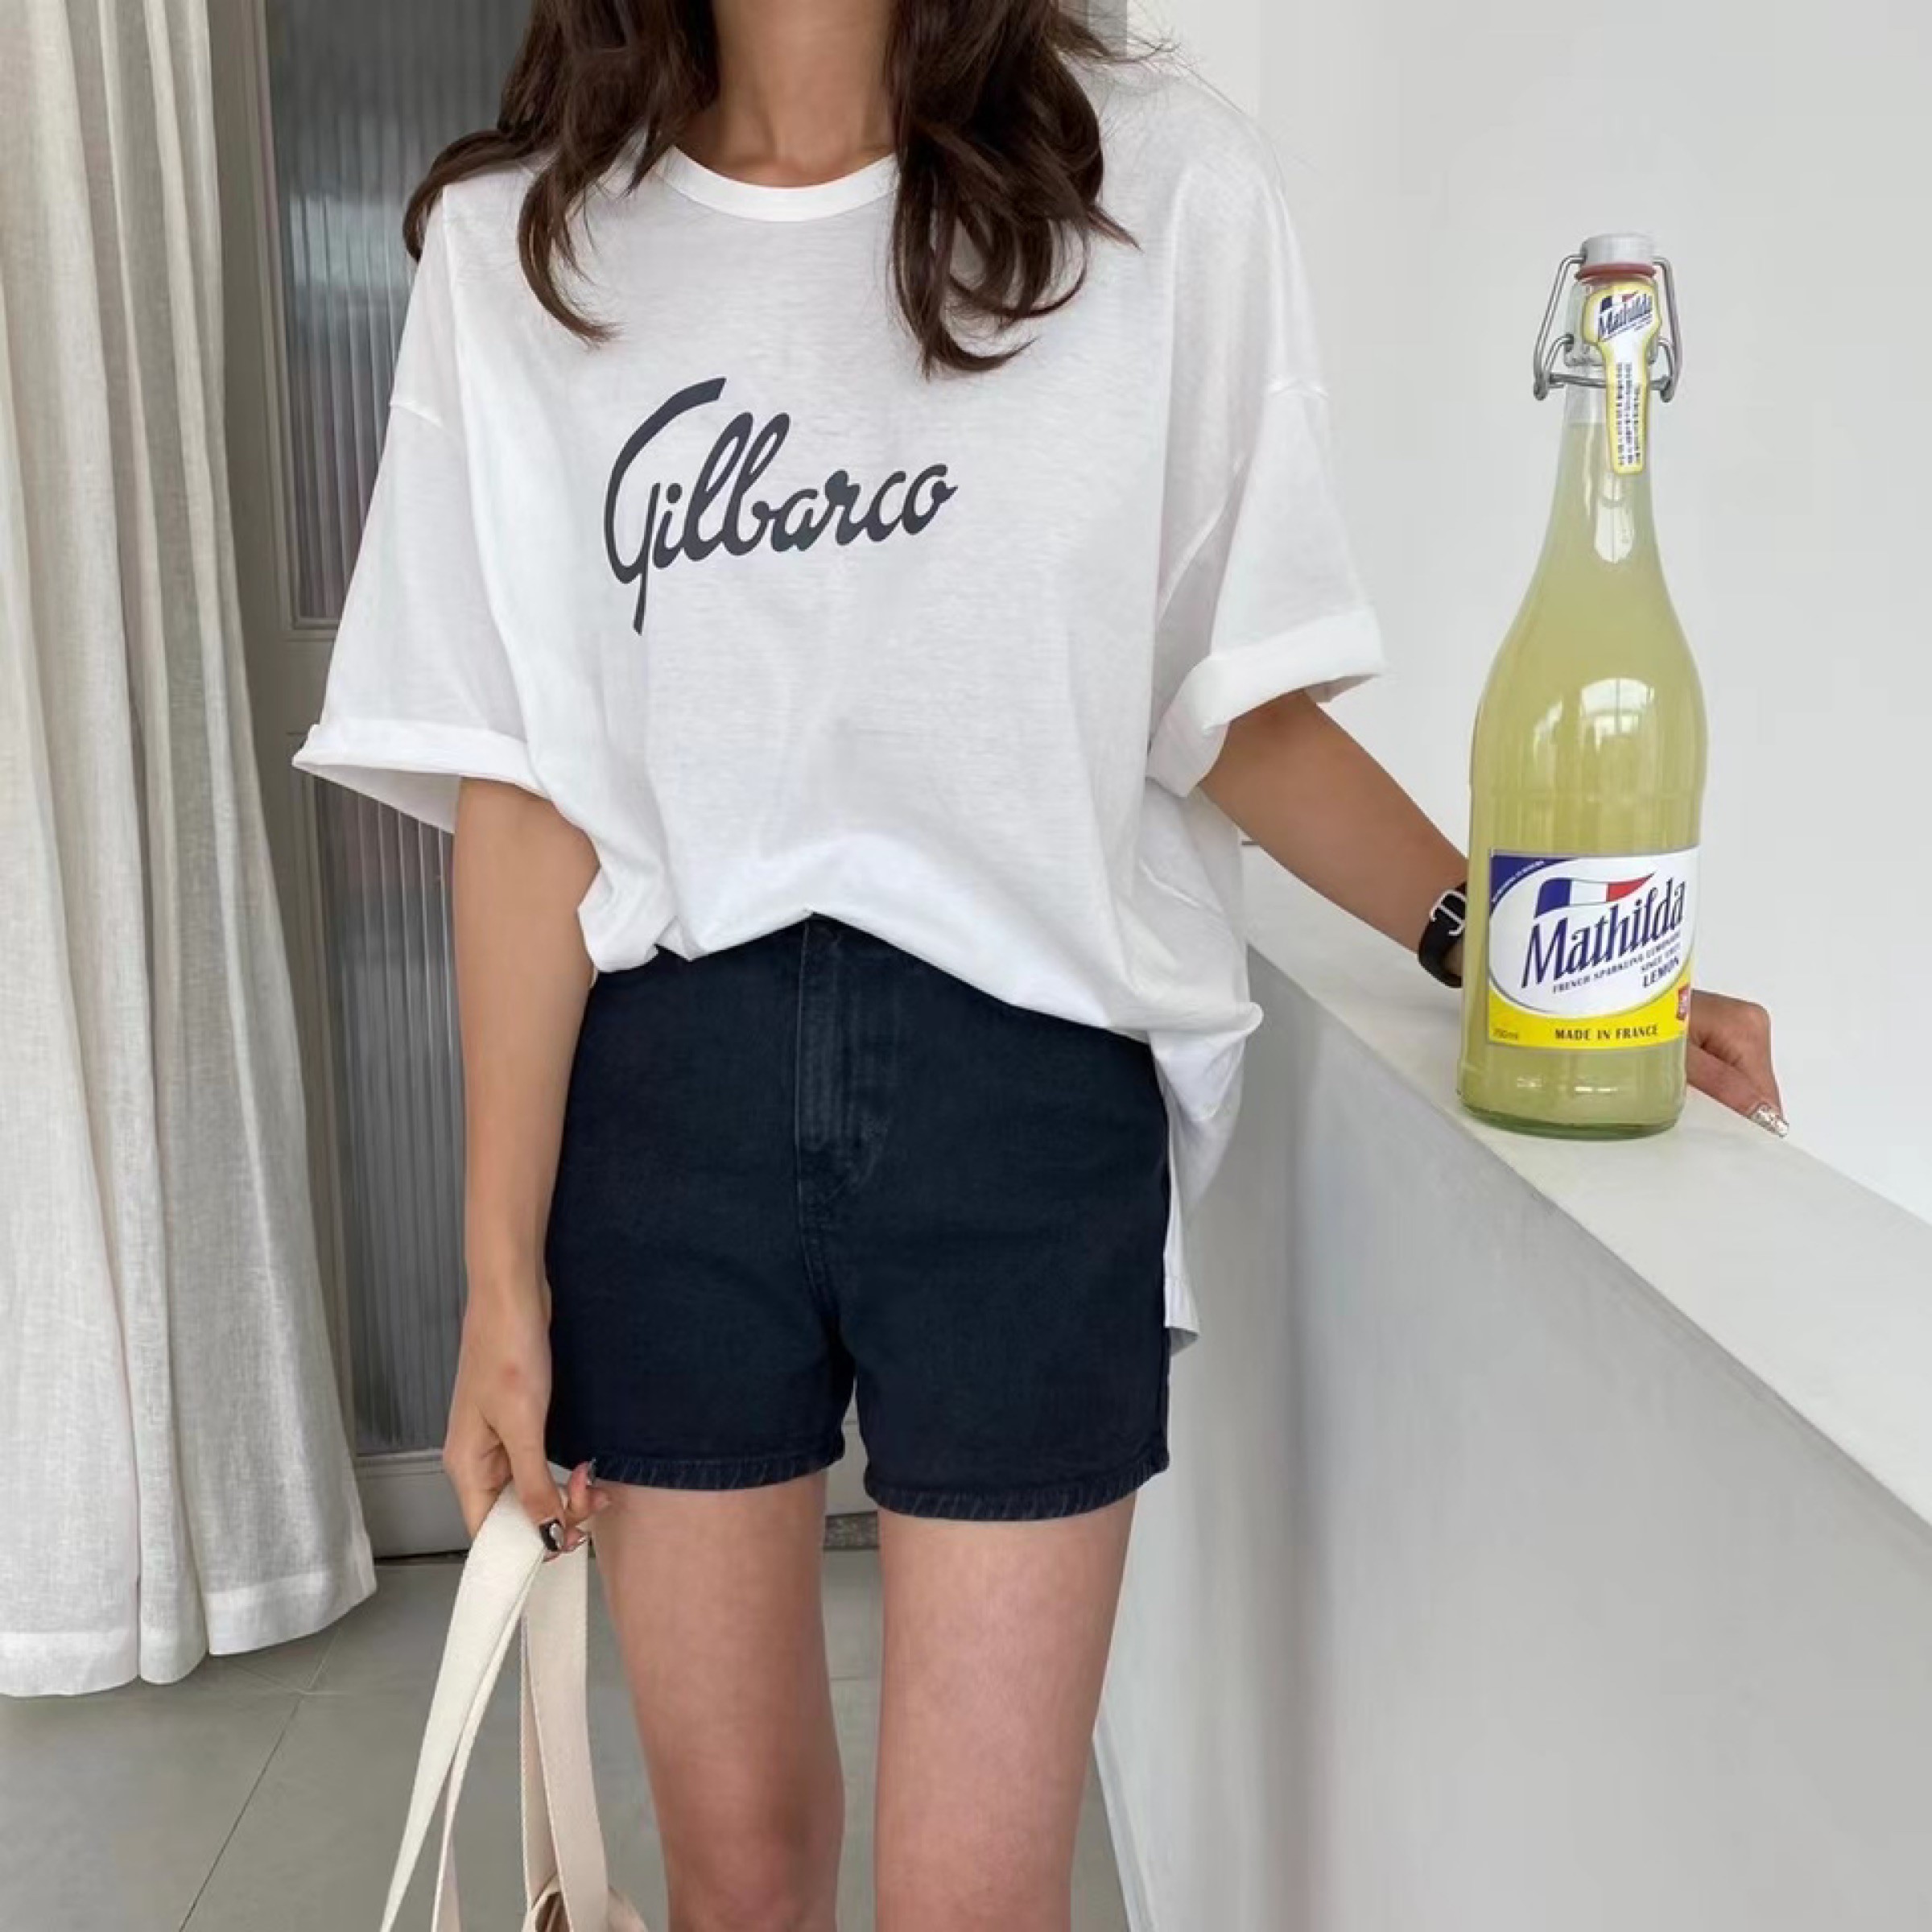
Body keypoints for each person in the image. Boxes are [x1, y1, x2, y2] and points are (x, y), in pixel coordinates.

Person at [293, 2, 1785, 1926]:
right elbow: (524, 793)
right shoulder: (526, 247)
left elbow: (1227, 704)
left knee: (979, 1901)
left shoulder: (1154, 186)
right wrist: (498, 1280)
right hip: (664, 1118)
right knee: (734, 1877)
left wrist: (1523, 949)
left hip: (1022, 1105)